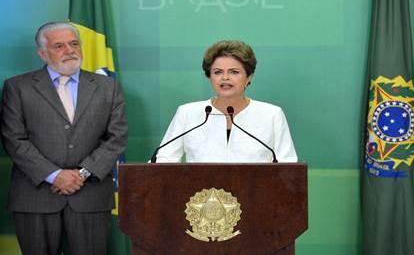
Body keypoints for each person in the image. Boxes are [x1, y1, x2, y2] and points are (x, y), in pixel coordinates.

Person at [0, 21, 128, 255]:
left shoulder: (108, 87)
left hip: (89, 196)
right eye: (59, 46)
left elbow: (117, 138)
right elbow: (13, 140)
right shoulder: (17, 87)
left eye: (74, 44)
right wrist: (54, 175)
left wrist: (82, 173)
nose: (69, 51)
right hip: (35, 198)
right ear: (42, 53)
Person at [155, 40, 297, 163]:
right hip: (202, 194)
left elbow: (287, 166)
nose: (225, 78)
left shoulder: (271, 115)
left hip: (255, 194)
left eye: (234, 72)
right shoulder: (187, 113)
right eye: (218, 72)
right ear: (209, 76)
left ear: (249, 77)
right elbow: (163, 160)